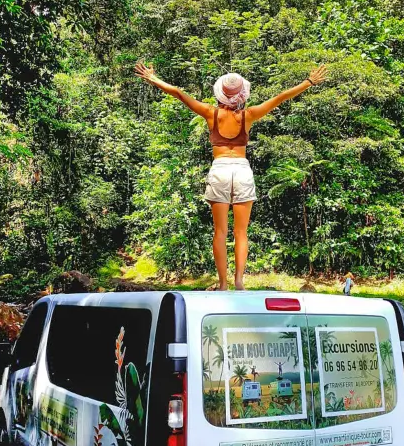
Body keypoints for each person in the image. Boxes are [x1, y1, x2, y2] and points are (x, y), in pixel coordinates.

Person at [133, 62, 328, 290]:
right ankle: (239, 282)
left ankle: (223, 284)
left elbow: (178, 92)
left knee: (220, 231)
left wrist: (153, 78)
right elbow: (281, 97)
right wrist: (309, 82)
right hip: (242, 169)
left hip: (220, 169)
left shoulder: (210, 113)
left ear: (220, 94)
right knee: (241, 232)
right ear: (242, 95)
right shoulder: (249, 115)